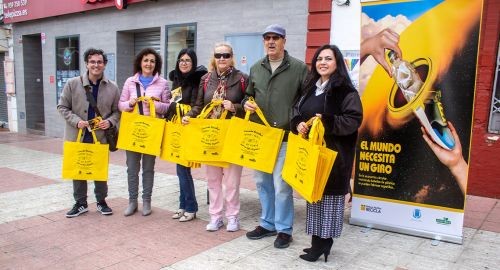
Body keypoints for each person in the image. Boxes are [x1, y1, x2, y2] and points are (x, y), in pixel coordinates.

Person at [291, 44, 363, 262]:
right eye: (319, 58)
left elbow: (353, 120)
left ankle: (324, 245)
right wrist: (299, 124)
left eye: (328, 59)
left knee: (330, 201)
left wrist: (326, 121)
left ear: (337, 63)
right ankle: (316, 244)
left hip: (334, 156)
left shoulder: (345, 91)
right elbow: (296, 111)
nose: (323, 62)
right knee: (314, 198)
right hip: (312, 153)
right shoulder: (310, 88)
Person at [243, 24, 308, 248]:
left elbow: (306, 101)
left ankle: (284, 229)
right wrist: (246, 104)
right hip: (260, 136)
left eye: (276, 38)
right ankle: (267, 223)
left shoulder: (299, 68)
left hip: (285, 136)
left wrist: (296, 120)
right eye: (267, 38)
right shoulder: (255, 67)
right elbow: (247, 96)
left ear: (284, 41)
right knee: (262, 182)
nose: (271, 42)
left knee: (282, 185)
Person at [182, 42, 248, 231]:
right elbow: (199, 105)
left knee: (232, 181)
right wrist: (189, 116)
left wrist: (235, 107)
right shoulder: (205, 79)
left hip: (231, 136)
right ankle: (216, 216)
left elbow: (250, 105)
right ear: (214, 57)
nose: (222, 59)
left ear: (231, 57)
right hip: (211, 136)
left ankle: (233, 217)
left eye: (226, 55)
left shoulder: (242, 79)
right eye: (218, 55)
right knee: (213, 180)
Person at [58, 48, 121, 218]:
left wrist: (109, 122)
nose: (96, 65)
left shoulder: (113, 87)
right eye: (92, 61)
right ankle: (80, 203)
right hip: (77, 136)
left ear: (105, 64)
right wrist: (76, 121)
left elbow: (117, 112)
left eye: (99, 62)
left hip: (100, 138)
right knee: (78, 170)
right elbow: (62, 107)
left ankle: (101, 201)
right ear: (86, 63)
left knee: (99, 170)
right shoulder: (72, 83)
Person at [118, 48, 170, 216]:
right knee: (132, 168)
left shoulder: (162, 83)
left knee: (148, 168)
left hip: (151, 131)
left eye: (152, 61)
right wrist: (130, 104)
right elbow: (121, 105)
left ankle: (146, 201)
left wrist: (155, 105)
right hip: (133, 130)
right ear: (140, 62)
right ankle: (132, 202)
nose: (149, 64)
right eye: (146, 60)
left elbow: (168, 106)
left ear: (156, 64)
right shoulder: (129, 82)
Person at [167, 48, 207, 222]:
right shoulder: (176, 79)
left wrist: (184, 112)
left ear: (193, 63)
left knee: (183, 169)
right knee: (180, 169)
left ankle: (191, 207)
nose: (184, 63)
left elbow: (197, 105)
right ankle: (183, 205)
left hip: (189, 126)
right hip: (176, 127)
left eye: (187, 60)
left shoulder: (198, 80)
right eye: (181, 60)